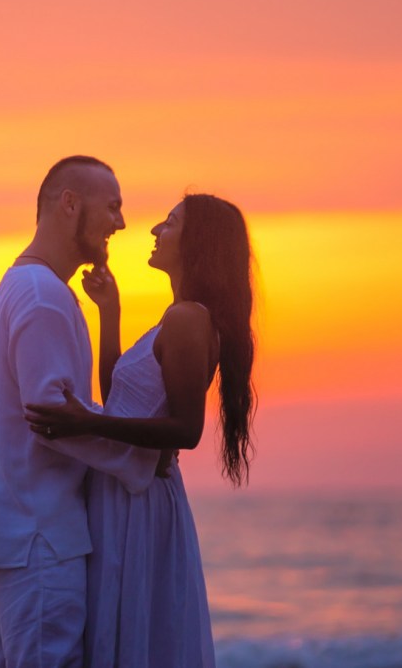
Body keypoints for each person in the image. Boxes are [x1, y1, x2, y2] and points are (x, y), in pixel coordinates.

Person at [25, 194, 257, 668]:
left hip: (140, 500)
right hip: (124, 493)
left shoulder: (188, 318)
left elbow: (185, 430)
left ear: (197, 243)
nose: (154, 230)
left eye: (169, 223)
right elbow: (120, 400)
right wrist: (109, 312)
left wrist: (85, 422)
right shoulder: (176, 317)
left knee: (138, 637)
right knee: (122, 633)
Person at [0, 156, 162, 668]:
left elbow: (62, 411)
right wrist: (142, 459)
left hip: (20, 535)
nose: (121, 223)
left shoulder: (25, 287)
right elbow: (53, 419)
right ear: (69, 203)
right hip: (41, 539)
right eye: (113, 206)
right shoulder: (43, 295)